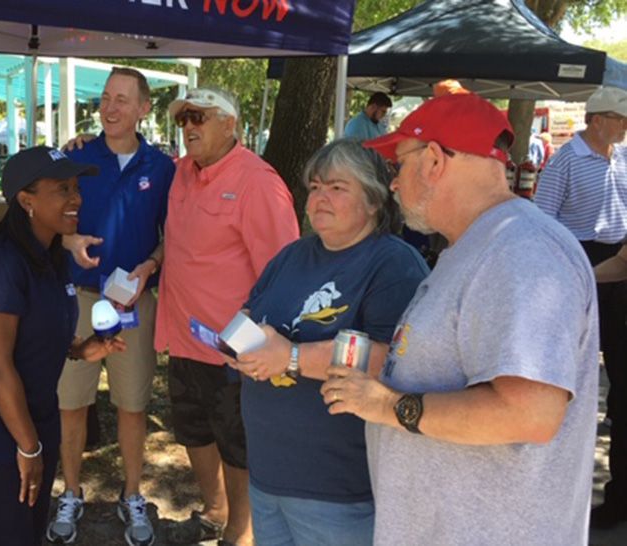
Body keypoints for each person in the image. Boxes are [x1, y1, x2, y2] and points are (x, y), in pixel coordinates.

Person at [323, 93, 598, 544]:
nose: (393, 183)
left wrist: (385, 406)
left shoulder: (521, 250)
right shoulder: (479, 243)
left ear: (433, 160)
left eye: (399, 165)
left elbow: (529, 413)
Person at [226, 139, 427, 545]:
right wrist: (238, 343)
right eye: (315, 187)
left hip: (338, 490)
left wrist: (292, 356)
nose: (319, 198)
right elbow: (250, 313)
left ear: (373, 201)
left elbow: (394, 360)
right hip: (267, 477)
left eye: (337, 188)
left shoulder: (393, 264)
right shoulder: (292, 255)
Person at [0, 146, 125, 546]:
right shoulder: (1, 264)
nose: (76, 198)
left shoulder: (50, 252)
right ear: (26, 200)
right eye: (62, 189)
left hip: (34, 416)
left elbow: (38, 328)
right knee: (11, 535)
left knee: (28, 531)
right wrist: (27, 447)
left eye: (76, 187)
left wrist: (79, 349)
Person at [157, 87, 300, 546]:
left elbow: (282, 271)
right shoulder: (181, 172)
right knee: (193, 431)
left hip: (231, 350)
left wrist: (251, 336)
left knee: (236, 443)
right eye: (183, 120)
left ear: (230, 124)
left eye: (200, 117)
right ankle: (216, 510)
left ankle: (242, 530)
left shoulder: (259, 182)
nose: (189, 127)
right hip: (181, 336)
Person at [47, 67, 175, 546]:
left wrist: (150, 265)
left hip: (133, 305)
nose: (110, 108)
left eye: (122, 99)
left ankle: (133, 494)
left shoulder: (162, 168)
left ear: (144, 108)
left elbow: (172, 238)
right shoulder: (76, 157)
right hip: (78, 300)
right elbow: (42, 218)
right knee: (71, 402)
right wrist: (68, 239)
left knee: (133, 405)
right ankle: (72, 491)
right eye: (104, 98)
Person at [535, 85, 627, 529]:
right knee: (569, 379)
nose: (625, 125)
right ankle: (555, 489)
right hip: (577, 265)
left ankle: (616, 497)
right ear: (596, 120)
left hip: (619, 268)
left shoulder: (623, 159)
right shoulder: (566, 161)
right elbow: (543, 224)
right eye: (619, 117)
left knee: (620, 384)